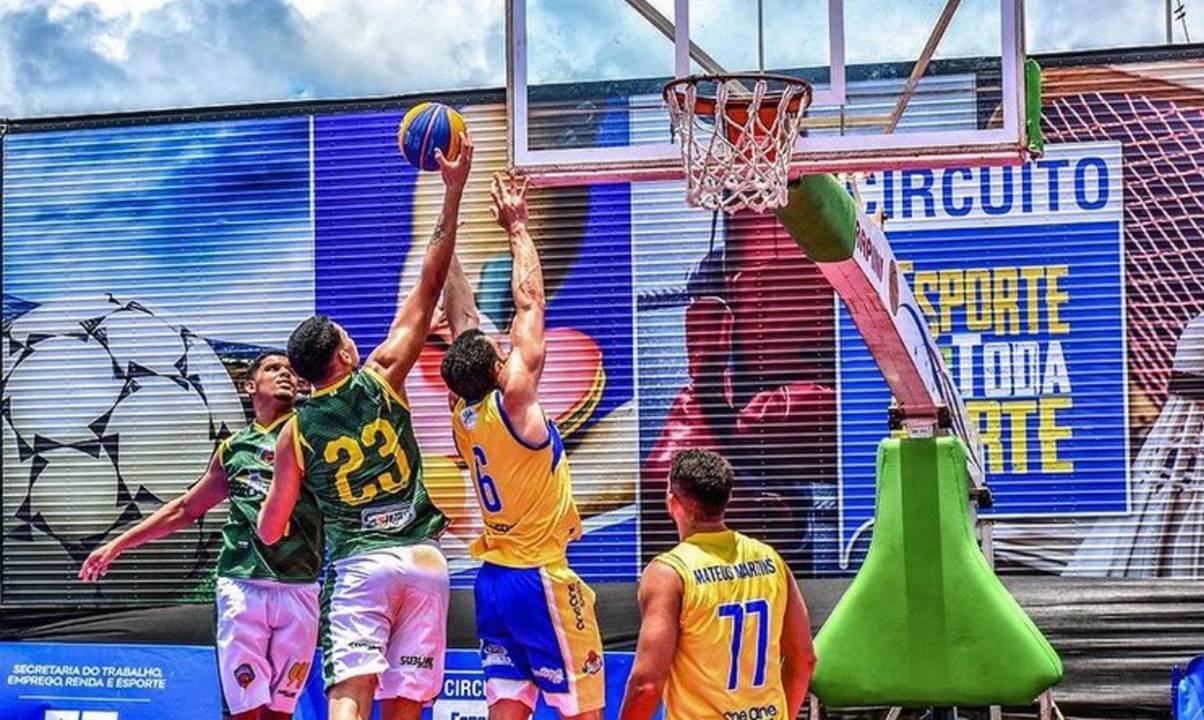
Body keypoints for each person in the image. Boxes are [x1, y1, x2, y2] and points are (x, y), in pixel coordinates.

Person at [257, 132, 473, 720]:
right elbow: (429, 285)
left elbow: (273, 530)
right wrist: (451, 191)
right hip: (425, 561)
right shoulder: (381, 376)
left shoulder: (293, 433)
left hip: (361, 564)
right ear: (345, 355)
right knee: (407, 702)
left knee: (350, 693)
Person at [439, 172, 605, 720]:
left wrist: (448, 242)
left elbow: (462, 321)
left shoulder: (463, 415)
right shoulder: (514, 403)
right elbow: (530, 303)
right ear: (496, 367)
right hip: (540, 577)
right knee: (582, 711)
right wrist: (517, 225)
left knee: (508, 709)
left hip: (494, 583)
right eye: (496, 347)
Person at [80, 352, 322, 720]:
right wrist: (118, 544)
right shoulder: (233, 449)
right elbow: (186, 509)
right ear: (250, 385)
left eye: (291, 370)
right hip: (243, 585)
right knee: (244, 709)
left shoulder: (313, 434)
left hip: (300, 583)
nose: (285, 374)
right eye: (274, 368)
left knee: (282, 711)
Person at [619, 449, 817, 720]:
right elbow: (804, 658)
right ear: (728, 499)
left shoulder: (670, 573)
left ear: (672, 502)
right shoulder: (771, 560)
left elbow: (646, 685)